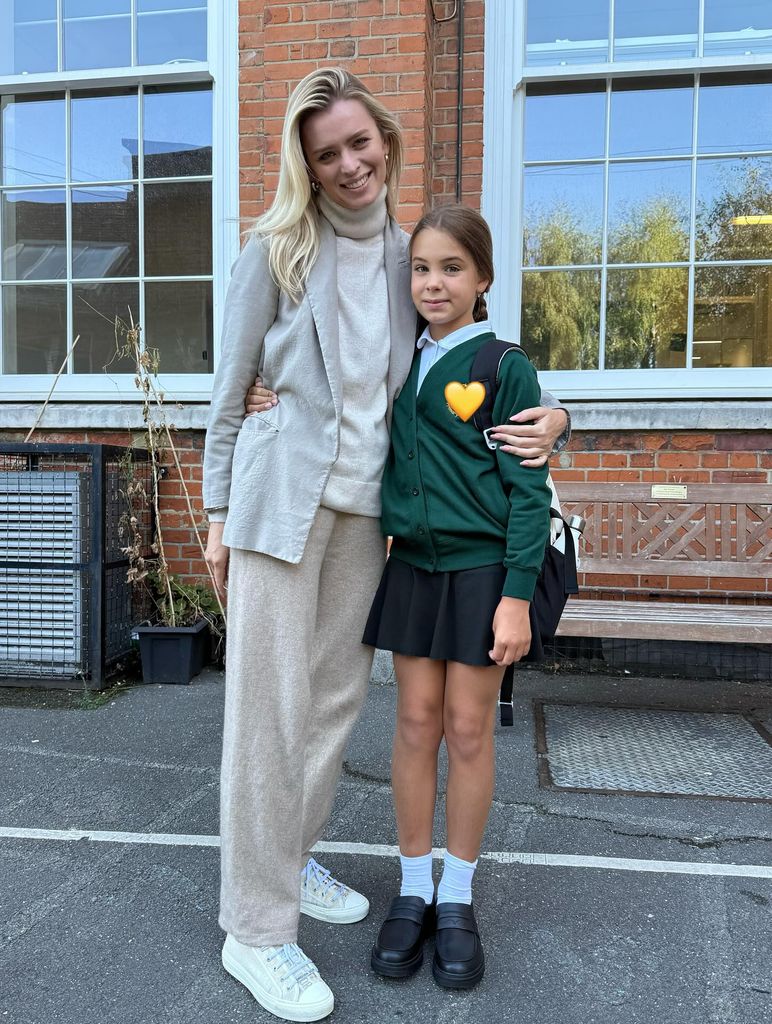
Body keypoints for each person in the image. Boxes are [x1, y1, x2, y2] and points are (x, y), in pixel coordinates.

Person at [204, 67, 568, 1023]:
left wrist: (556, 414)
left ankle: (286, 856)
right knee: (268, 714)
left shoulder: (417, 261)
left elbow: (480, 365)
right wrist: (213, 517)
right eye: (327, 154)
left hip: (376, 522)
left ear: (387, 143)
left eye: (359, 143)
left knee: (328, 711)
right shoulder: (277, 250)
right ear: (307, 166)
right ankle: (257, 927)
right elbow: (228, 389)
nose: (348, 164)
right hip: (282, 509)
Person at [362, 204, 552, 991]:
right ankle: (412, 887)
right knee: (413, 724)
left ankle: (459, 898)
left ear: (483, 279)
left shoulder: (505, 365)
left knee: (470, 731)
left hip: (481, 576)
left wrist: (516, 598)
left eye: (451, 268)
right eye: (420, 268)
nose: (432, 283)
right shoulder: (398, 357)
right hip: (411, 569)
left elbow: (530, 492)